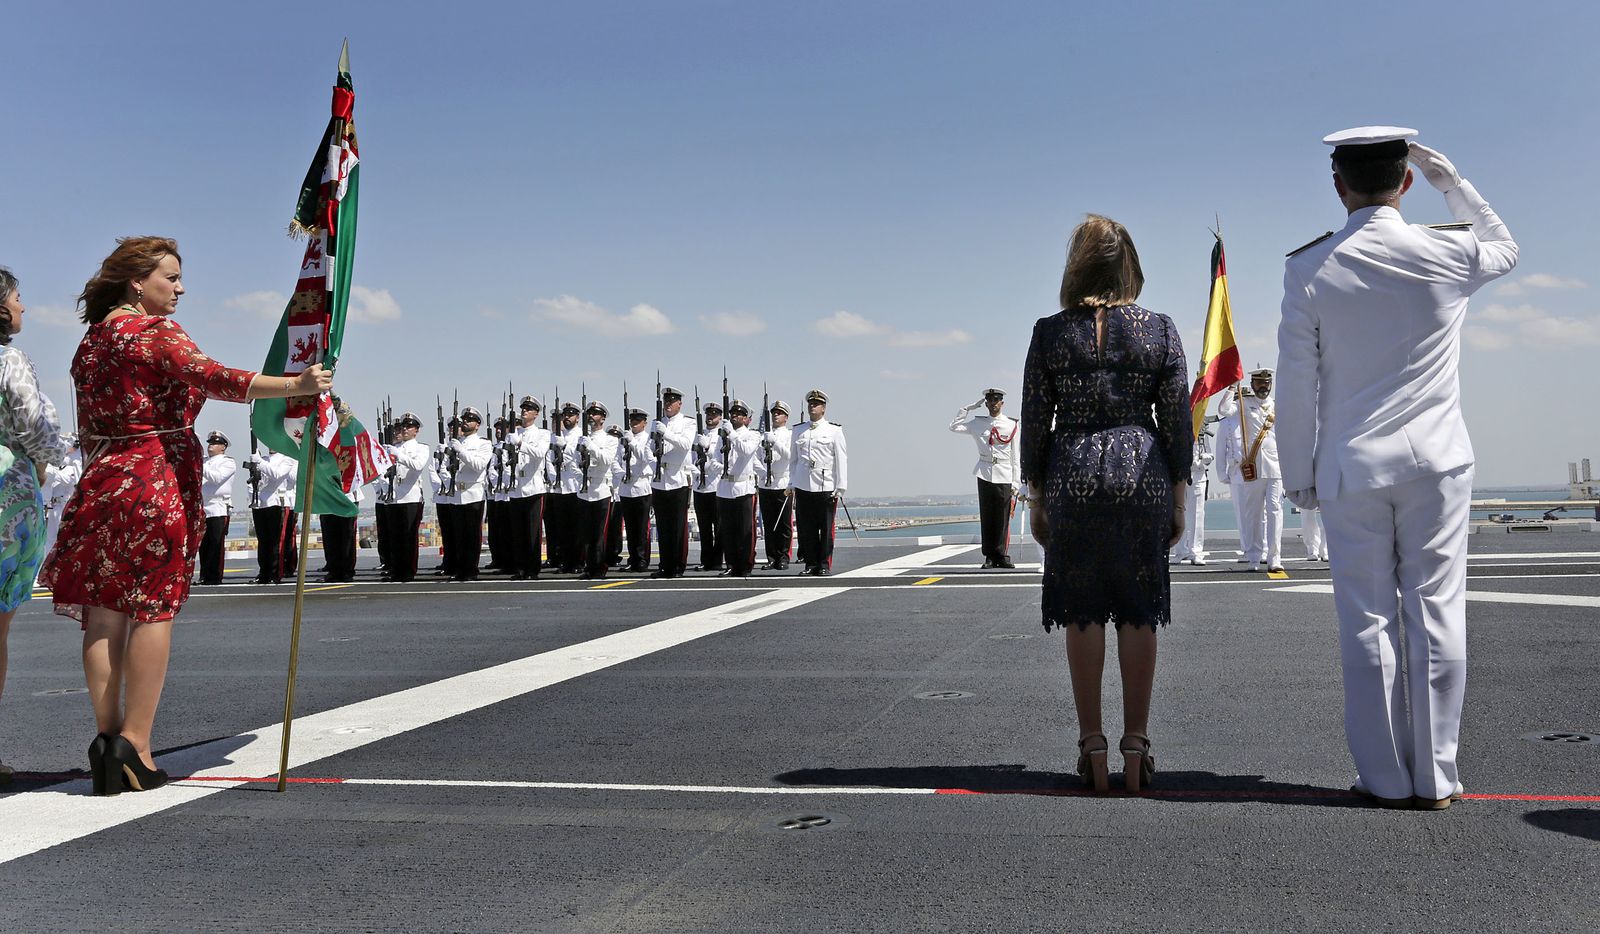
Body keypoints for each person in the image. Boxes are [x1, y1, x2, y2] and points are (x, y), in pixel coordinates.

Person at [38, 236, 331, 794]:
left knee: (104, 614)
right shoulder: (154, 332)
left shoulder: (92, 342)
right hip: (154, 479)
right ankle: (137, 744)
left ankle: (106, 743)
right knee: (153, 610)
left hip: (104, 479)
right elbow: (213, 376)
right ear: (137, 282)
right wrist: (297, 384)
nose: (180, 288)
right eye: (170, 278)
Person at [1276, 128, 1517, 809]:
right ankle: (1437, 775)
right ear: (1405, 181)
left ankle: (1383, 777)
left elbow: (1297, 383)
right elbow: (1508, 248)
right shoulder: (1449, 248)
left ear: (1338, 185)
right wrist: (1453, 181)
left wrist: (1299, 475)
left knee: (1366, 620)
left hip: (1352, 465)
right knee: (1438, 611)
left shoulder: (1308, 268)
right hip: (1438, 461)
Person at [1019, 215, 1190, 794]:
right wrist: (1180, 495)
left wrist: (1036, 493)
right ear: (1130, 267)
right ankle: (1136, 746)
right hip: (1140, 470)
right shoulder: (1159, 329)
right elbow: (1176, 421)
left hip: (1071, 471)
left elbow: (1036, 420)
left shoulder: (1050, 332)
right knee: (1139, 608)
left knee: (1083, 608)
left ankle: (1091, 744)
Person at [0, 267, 71, 787]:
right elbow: (30, 420)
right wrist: (51, 455)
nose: (23, 307)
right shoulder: (9, 359)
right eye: (18, 298)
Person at [949, 388, 1021, 568]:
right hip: (985, 472)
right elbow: (954, 427)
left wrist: (1016, 481)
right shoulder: (977, 423)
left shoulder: (1012, 425)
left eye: (996, 400)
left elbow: (1015, 456)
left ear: (1002, 403)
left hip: (1004, 473)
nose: (993, 403)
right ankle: (989, 556)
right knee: (987, 516)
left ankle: (1002, 555)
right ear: (986, 403)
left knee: (1003, 518)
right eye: (989, 400)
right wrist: (967, 409)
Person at [1222, 369, 1283, 572]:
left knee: (1275, 512)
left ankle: (1274, 557)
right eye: (1259, 383)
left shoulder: (1277, 405)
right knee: (1253, 514)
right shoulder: (1243, 404)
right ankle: (1255, 557)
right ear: (1253, 384)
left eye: (1267, 383)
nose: (1263, 387)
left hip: (1275, 467)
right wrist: (1232, 387)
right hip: (1253, 467)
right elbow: (1223, 410)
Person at [791, 389, 848, 576]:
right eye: (810, 403)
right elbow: (794, 460)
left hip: (825, 485)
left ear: (823, 408)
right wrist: (792, 483)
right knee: (806, 529)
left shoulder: (834, 430)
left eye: (816, 404)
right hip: (803, 484)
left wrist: (841, 486)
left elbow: (841, 459)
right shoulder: (798, 430)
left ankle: (823, 564)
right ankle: (810, 563)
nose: (812, 406)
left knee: (825, 528)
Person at [649, 387, 696, 579]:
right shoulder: (657, 423)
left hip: (678, 478)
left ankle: (678, 564)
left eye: (672, 401)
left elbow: (685, 444)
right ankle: (665, 564)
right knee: (663, 525)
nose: (668, 404)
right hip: (660, 479)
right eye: (666, 401)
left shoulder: (688, 423)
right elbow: (651, 447)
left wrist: (665, 433)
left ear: (679, 404)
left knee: (678, 525)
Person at [381, 412, 430, 582]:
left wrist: (398, 455)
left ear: (416, 430)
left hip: (410, 497)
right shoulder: (396, 447)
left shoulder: (421, 448)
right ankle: (396, 570)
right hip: (394, 496)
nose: (405, 429)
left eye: (409, 426)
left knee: (408, 536)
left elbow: (417, 465)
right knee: (395, 537)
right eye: (403, 426)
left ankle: (408, 571)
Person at [716, 400, 763, 578]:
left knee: (745, 530)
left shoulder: (752, 435)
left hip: (744, 487)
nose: (734, 416)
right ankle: (731, 564)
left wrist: (732, 436)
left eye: (738, 414)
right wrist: (719, 468)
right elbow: (715, 459)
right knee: (727, 530)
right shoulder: (723, 436)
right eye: (732, 413)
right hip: (725, 486)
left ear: (746, 418)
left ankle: (745, 564)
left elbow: (746, 451)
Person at [444, 407, 492, 581]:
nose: (465, 422)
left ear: (477, 425)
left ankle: (471, 570)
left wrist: (461, 452)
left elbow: (479, 465)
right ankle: (460, 569)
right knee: (458, 535)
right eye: (464, 419)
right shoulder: (457, 442)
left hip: (473, 493)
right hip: (457, 493)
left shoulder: (483, 443)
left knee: (471, 535)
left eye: (470, 420)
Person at [507, 397, 551, 580]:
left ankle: (533, 568)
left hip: (533, 487)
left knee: (533, 530)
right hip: (516, 487)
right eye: (523, 408)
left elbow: (540, 452)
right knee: (517, 531)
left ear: (536, 413)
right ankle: (520, 567)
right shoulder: (514, 433)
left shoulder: (542, 434)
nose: (524, 411)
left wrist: (520, 444)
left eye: (529, 408)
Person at [574, 402, 619, 579]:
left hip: (601, 489)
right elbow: (573, 462)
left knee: (599, 533)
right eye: (590, 413)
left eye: (596, 413)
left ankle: (600, 567)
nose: (592, 416)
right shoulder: (582, 438)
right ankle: (589, 567)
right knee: (586, 533)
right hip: (585, 488)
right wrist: (580, 477)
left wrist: (591, 447)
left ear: (603, 417)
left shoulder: (610, 439)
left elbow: (606, 460)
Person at [248, 446, 299, 584]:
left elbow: (277, 474)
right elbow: (255, 482)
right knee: (264, 541)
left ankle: (275, 572)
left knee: (277, 541)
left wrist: (260, 463)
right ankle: (264, 572)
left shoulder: (287, 459)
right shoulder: (263, 459)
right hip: (261, 503)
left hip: (277, 502)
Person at [614, 408, 656, 572]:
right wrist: (621, 474)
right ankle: (632, 559)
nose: (634, 424)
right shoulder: (624, 439)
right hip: (626, 487)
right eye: (632, 421)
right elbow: (615, 461)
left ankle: (642, 559)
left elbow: (646, 458)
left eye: (637, 421)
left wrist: (631, 442)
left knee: (642, 528)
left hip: (641, 486)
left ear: (644, 423)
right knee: (630, 528)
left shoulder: (647, 439)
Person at [1173, 415, 1215, 565]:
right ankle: (1180, 551)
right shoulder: (1176, 434)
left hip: (1197, 476)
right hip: (1180, 476)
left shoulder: (1202, 436)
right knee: (1179, 513)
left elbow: (1210, 454)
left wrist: (1204, 458)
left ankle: (1196, 551)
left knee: (1197, 515)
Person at [757, 400, 794, 570]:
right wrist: (763, 472)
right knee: (769, 522)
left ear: (786, 417)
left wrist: (775, 443)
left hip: (782, 483)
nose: (775, 415)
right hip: (766, 483)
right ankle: (771, 556)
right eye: (774, 413)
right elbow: (756, 457)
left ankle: (784, 556)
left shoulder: (790, 435)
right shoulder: (764, 435)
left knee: (784, 523)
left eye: (779, 413)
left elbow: (789, 456)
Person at [547, 401, 583, 573]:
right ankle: (565, 561)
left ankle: (577, 561)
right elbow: (549, 458)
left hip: (575, 485)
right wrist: (554, 478)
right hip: (560, 485)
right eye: (565, 415)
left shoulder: (581, 435)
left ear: (577, 417)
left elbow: (578, 456)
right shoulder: (557, 436)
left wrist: (565, 447)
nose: (567, 418)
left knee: (576, 528)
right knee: (562, 528)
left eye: (570, 415)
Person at [198, 430, 236, 585]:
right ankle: (205, 574)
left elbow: (216, 478)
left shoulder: (228, 462)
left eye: (215, 443)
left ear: (223, 447)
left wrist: (200, 463)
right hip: (203, 506)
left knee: (216, 543)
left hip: (218, 506)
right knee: (203, 545)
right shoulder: (205, 461)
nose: (211, 446)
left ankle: (214, 575)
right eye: (210, 443)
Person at [692, 401, 725, 572]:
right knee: (703, 527)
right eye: (708, 414)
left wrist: (709, 451)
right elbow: (691, 458)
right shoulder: (698, 435)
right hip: (700, 486)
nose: (710, 417)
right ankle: (706, 560)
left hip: (715, 485)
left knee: (718, 526)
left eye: (714, 414)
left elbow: (721, 460)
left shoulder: (721, 436)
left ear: (719, 417)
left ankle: (717, 559)